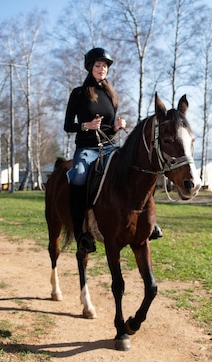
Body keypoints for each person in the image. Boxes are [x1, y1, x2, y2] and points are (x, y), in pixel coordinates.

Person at [64, 47, 162, 255]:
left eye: (105, 66)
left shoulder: (110, 94)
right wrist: (86, 126)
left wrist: (116, 127)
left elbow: (108, 128)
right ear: (90, 68)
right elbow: (67, 126)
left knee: (139, 170)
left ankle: (149, 224)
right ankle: (82, 233)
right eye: (98, 65)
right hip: (87, 149)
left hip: (109, 148)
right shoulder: (79, 94)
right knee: (79, 177)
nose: (102, 69)